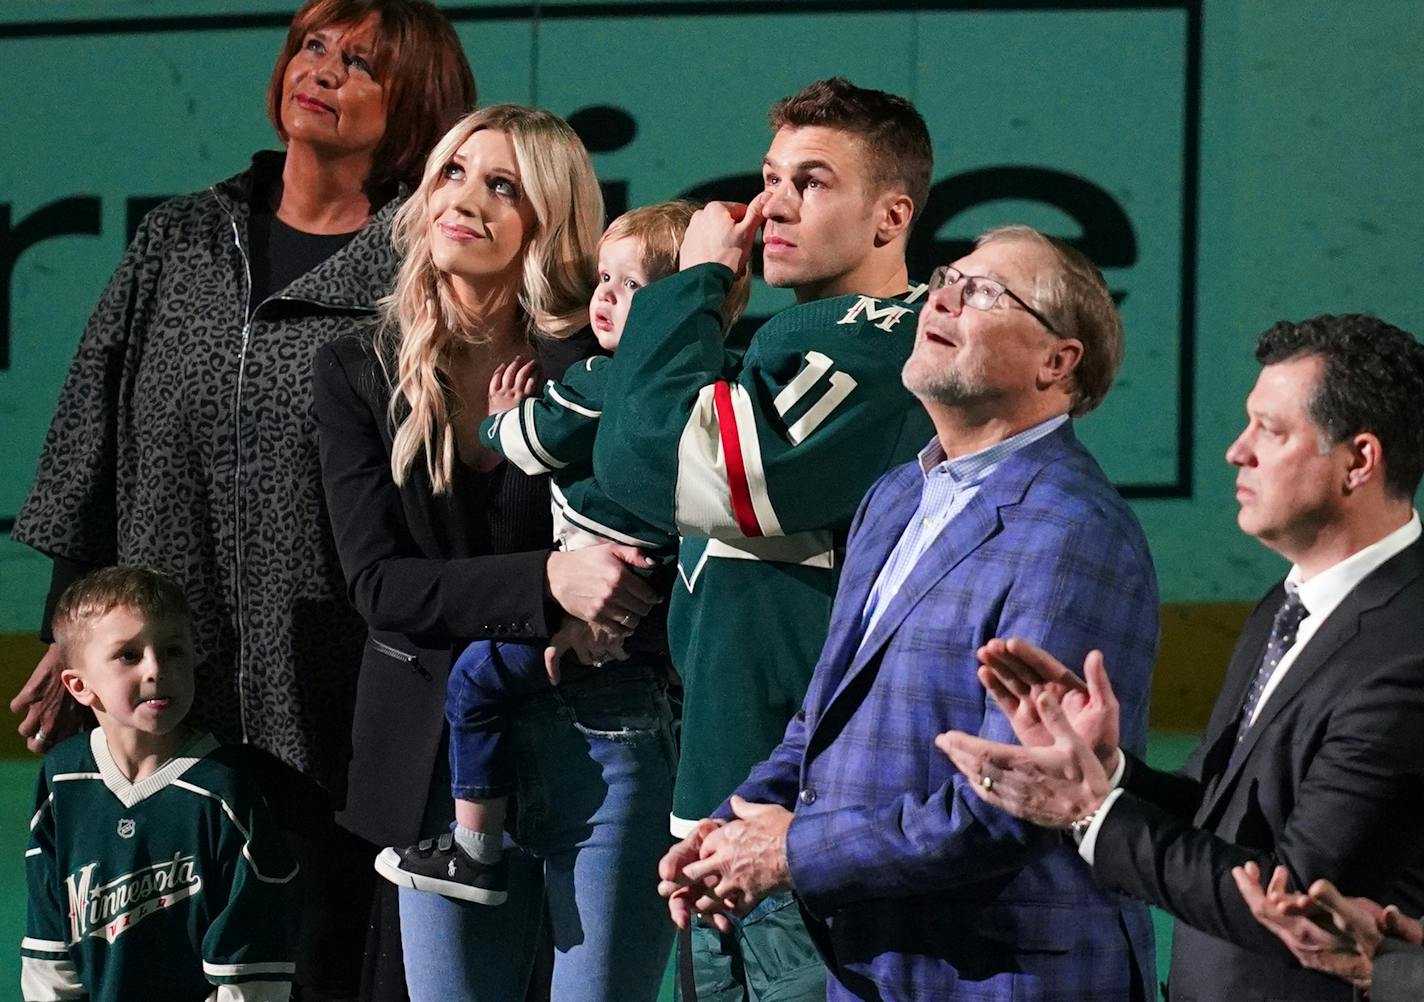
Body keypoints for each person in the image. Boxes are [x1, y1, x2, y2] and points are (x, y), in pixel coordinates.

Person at [9, 3, 474, 999]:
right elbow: (89, 424)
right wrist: (74, 621)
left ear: (412, 105)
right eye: (310, 46)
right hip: (173, 686)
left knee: (312, 961)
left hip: (339, 693)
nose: (320, 71)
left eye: (359, 63)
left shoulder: (422, 268)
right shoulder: (180, 235)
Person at [658, 226, 1159, 1001]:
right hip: (872, 967)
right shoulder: (897, 496)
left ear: (1058, 362)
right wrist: (729, 828)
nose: (946, 295)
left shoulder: (1071, 530)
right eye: (949, 275)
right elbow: (819, 724)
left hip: (1002, 978)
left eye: (987, 291)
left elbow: (1019, 802)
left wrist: (792, 854)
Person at [939, 313, 1424, 1001]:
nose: (1237, 451)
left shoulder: (1407, 652)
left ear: (1358, 461)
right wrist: (1109, 771)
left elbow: (1292, 903)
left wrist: (1091, 813)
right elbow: (1215, 806)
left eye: (1272, 431)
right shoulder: (1288, 603)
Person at [313, 105, 675, 1002]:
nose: (464, 200)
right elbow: (379, 585)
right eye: (453, 174)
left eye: (502, 185)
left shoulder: (598, 363)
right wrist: (548, 580)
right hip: (434, 758)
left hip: (601, 736)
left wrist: (619, 600)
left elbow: (664, 533)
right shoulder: (355, 367)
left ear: (547, 223)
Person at [593, 77, 936, 999]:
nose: (769, 204)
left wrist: (695, 286)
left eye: (811, 182)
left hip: (801, 830)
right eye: (771, 176)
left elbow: (649, 461)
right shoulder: (786, 344)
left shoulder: (877, 348)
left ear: (889, 216)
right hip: (727, 805)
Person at [373, 200, 750, 904]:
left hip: (609, 631)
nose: (603, 297)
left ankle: (472, 848)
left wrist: (497, 421)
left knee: (473, 684)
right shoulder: (723, 379)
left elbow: (531, 442)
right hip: (658, 618)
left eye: (631, 285)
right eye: (602, 279)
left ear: (683, 302)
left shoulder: (608, 380)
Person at [23, 567, 297, 1002]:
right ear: (78, 685)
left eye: (172, 651)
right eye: (128, 655)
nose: (156, 669)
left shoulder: (225, 792)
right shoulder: (63, 777)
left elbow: (250, 978)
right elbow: (49, 955)